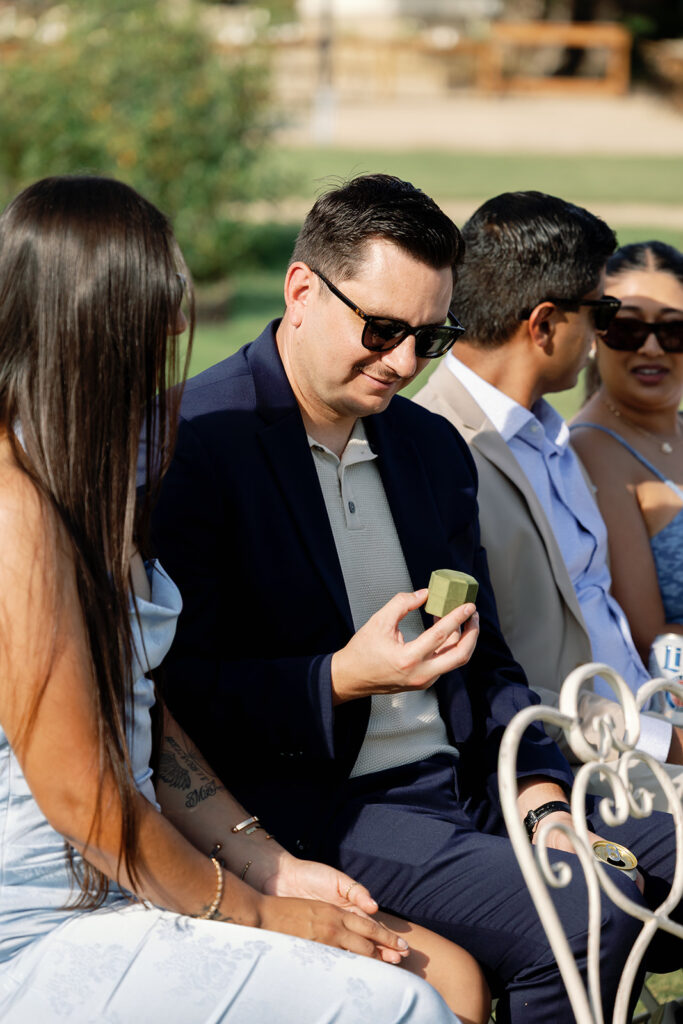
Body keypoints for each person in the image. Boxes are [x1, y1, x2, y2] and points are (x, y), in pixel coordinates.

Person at [151, 174, 683, 1023]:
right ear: (300, 290)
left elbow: (493, 656)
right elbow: (172, 698)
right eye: (382, 329)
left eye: (427, 338)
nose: (401, 361)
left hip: (483, 778)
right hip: (337, 809)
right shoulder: (195, 443)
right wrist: (338, 679)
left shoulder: (428, 446)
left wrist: (542, 800)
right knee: (580, 918)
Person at [0, 174, 479, 1024]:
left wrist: (265, 863)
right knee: (394, 1005)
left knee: (442, 975)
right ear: (89, 324)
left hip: (134, 872)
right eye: (158, 307)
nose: (180, 327)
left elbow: (142, 715)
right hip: (42, 917)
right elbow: (83, 795)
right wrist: (256, 909)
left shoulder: (78, 476)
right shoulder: (15, 511)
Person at [413, 191, 683, 795]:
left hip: (653, 722)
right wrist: (666, 742)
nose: (604, 331)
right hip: (587, 769)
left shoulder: (547, 433)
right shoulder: (436, 452)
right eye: (602, 312)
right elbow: (476, 679)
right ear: (544, 325)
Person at [571, 241, 683, 663]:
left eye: (673, 330)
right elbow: (647, 638)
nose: (651, 348)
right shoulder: (591, 450)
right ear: (596, 332)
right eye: (627, 328)